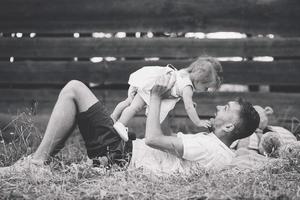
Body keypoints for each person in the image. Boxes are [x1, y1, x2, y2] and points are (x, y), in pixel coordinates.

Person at [0, 74, 259, 176]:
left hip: (121, 155)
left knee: (74, 89)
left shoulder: (211, 148)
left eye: (225, 109)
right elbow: (166, 149)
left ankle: (37, 163)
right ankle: (39, 161)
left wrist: (156, 97)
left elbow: (154, 140)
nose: (217, 108)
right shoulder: (218, 149)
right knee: (83, 96)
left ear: (229, 128)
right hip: (124, 151)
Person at [111, 57, 223, 141]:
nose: (205, 90)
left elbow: (178, 87)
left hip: (151, 85)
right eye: (206, 87)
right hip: (154, 90)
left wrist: (188, 100)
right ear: (199, 80)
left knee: (131, 104)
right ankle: (120, 124)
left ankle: (114, 118)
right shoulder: (188, 88)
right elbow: (189, 107)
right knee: (135, 108)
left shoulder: (184, 74)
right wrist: (198, 122)